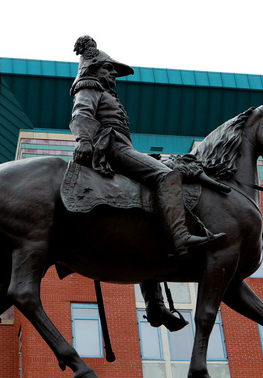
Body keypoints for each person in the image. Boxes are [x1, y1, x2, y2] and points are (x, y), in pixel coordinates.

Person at [69, 36, 225, 260]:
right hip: (112, 147)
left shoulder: (105, 93)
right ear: (94, 69)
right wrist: (84, 140)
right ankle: (181, 238)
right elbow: (82, 113)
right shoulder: (90, 86)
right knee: (167, 176)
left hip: (120, 146)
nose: (113, 73)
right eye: (108, 68)